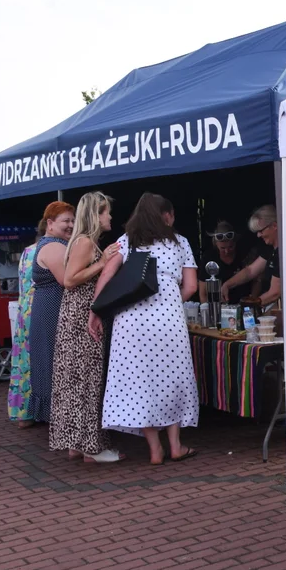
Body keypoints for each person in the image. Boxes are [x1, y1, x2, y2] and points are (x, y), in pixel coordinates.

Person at [94, 194, 199, 465]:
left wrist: (95, 310)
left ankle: (155, 450)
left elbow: (106, 276)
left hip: (130, 322)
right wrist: (170, 302)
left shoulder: (125, 242)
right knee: (173, 380)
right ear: (166, 216)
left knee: (141, 383)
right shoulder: (180, 243)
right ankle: (175, 446)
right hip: (168, 321)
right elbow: (190, 287)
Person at [49, 192, 122, 463]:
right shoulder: (84, 242)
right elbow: (69, 280)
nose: (110, 217)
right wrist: (103, 262)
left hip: (75, 316)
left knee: (77, 381)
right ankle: (92, 448)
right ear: (95, 214)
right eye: (106, 212)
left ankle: (76, 444)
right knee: (87, 380)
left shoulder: (82, 241)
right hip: (80, 317)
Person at [27, 201, 75, 425]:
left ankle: (55, 415)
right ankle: (60, 418)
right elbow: (67, 281)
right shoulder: (54, 246)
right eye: (66, 221)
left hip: (47, 308)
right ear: (50, 223)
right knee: (53, 360)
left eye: (73, 221)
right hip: (51, 311)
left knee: (50, 360)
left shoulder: (53, 243)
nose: (71, 225)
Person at [219, 205, 286, 307]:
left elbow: (275, 292)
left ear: (274, 226)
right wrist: (227, 284)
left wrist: (249, 306)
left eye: (261, 231)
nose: (258, 235)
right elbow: (250, 271)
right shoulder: (271, 247)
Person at [7, 218, 45, 427]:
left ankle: (24, 411)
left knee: (24, 362)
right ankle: (42, 410)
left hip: (24, 311)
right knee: (41, 361)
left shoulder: (26, 251)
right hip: (39, 309)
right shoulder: (49, 250)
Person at [199, 220, 260, 304]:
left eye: (231, 247)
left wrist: (253, 300)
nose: (227, 251)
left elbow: (256, 280)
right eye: (222, 248)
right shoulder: (209, 258)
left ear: (235, 241)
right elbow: (203, 293)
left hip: (244, 303)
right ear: (216, 243)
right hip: (219, 306)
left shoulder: (244, 254)